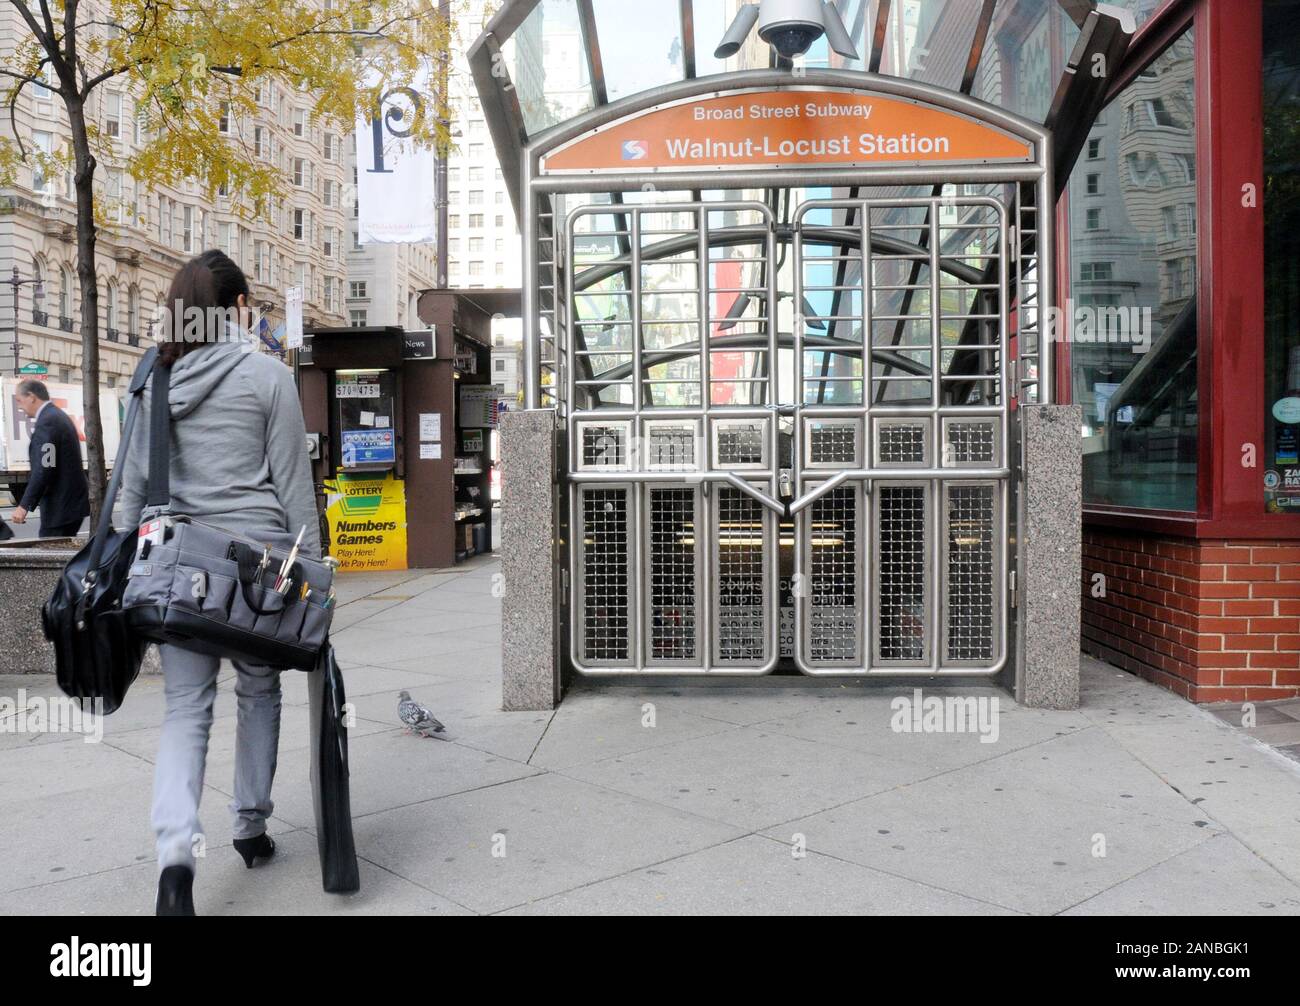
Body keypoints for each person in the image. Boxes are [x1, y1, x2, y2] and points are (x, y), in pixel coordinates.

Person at [119, 249, 321, 916]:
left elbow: (129, 494)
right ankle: (250, 826)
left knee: (185, 710)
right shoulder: (268, 376)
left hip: (181, 570)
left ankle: (176, 863)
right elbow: (295, 489)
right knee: (260, 691)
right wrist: (313, 578)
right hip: (257, 570)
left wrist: (128, 557)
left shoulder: (151, 379)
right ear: (237, 309)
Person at [10, 379, 90, 537]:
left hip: (60, 507)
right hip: (69, 505)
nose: (19, 406)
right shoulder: (57, 416)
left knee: (48, 553)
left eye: (20, 400)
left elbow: (44, 468)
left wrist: (24, 505)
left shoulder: (48, 422)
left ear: (32, 397)